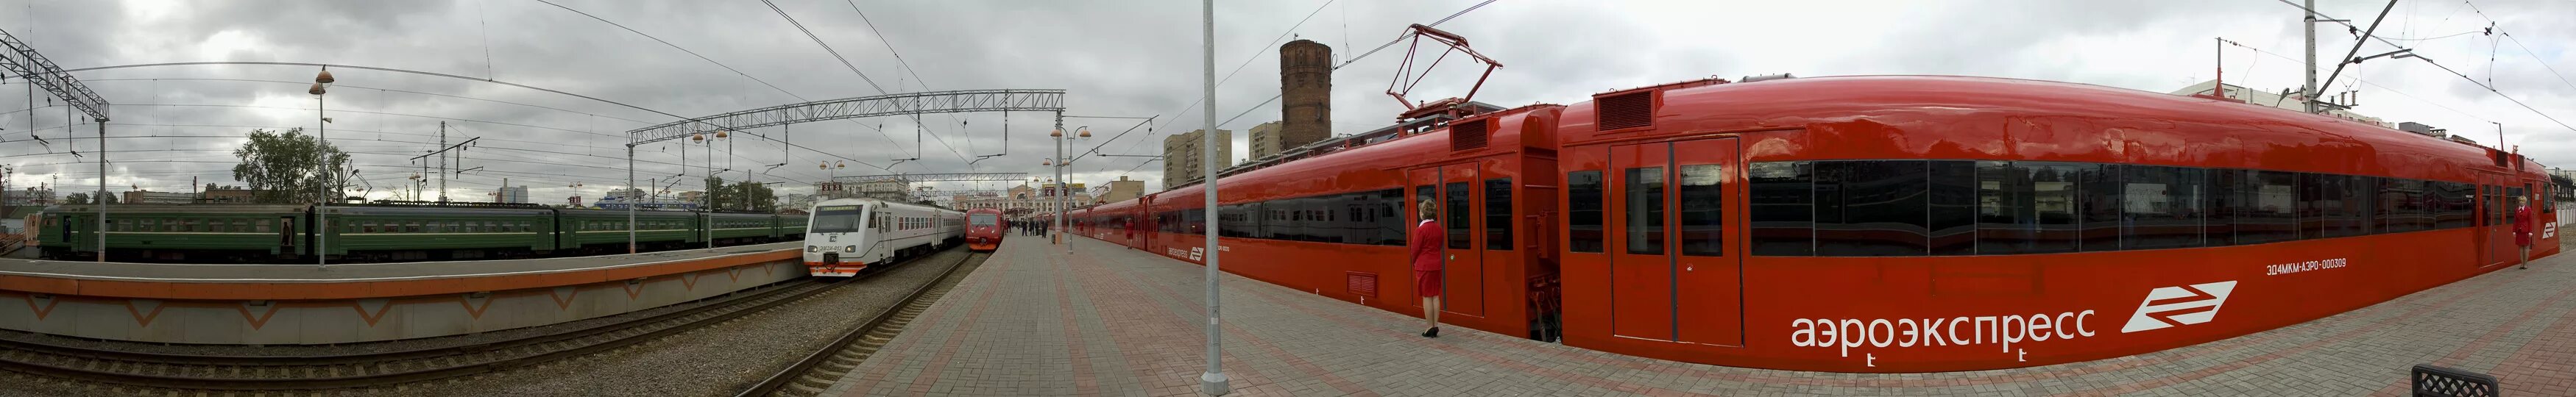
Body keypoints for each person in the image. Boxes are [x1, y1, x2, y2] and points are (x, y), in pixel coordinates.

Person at [1411, 199, 1445, 338]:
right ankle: (1435, 326)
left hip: (1424, 266)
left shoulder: (1421, 230)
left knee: (1427, 296)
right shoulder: (1439, 228)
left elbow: (1415, 250)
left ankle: (1429, 327)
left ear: (1422, 213)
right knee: (1435, 296)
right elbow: (1440, 245)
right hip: (1437, 265)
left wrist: (1414, 262)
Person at [2516, 199, 2534, 270]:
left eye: (2523, 201)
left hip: (2526, 231)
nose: (2521, 202)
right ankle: (2522, 264)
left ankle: (2525, 264)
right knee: (2520, 247)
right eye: (2520, 201)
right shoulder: (2517, 210)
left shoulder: (2528, 209)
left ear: (2525, 202)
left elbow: (2530, 221)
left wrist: (2530, 232)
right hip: (2519, 231)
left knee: (2526, 247)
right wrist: (2514, 231)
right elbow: (2515, 221)